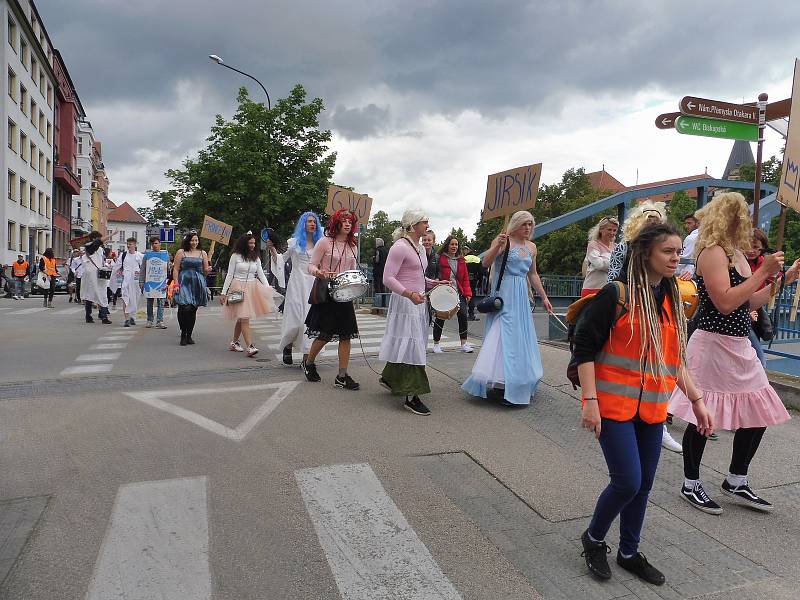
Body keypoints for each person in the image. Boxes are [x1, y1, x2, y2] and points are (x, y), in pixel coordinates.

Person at [575, 222, 713, 585]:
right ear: (645, 254)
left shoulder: (671, 299)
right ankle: (593, 539)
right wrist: (590, 400)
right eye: (668, 251)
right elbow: (585, 347)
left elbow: (676, 359)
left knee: (644, 484)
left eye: (678, 250)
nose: (676, 257)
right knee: (628, 481)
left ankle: (629, 552)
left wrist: (697, 402)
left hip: (651, 410)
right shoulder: (615, 294)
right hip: (613, 407)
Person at [669, 192, 800, 514]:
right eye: (740, 215)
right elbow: (725, 302)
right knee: (705, 416)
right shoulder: (712, 253)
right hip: (713, 343)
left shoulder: (737, 254)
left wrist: (785, 279)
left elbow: (749, 302)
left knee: (759, 412)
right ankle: (691, 483)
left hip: (738, 344)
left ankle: (736, 479)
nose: (746, 221)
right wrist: (762, 271)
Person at [462, 211, 552, 406]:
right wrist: (497, 246)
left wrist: (544, 297)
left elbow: (533, 274)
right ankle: (502, 383)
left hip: (521, 294)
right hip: (504, 294)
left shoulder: (532, 247)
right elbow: (485, 263)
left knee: (520, 336)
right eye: (524, 224)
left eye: (530, 224)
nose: (527, 228)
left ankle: (516, 380)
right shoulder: (504, 240)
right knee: (504, 335)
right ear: (516, 225)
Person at [379, 211, 449, 415]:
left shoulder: (419, 248)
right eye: (424, 221)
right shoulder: (399, 247)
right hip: (405, 302)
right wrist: (409, 294)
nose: (427, 224)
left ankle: (390, 377)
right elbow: (388, 278)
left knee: (410, 340)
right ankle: (411, 395)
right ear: (412, 225)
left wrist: (435, 283)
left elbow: (417, 276)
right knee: (411, 343)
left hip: (417, 300)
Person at [301, 209, 360, 389]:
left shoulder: (353, 246)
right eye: (344, 221)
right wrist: (319, 272)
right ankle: (309, 362)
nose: (348, 224)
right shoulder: (324, 242)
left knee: (346, 335)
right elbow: (311, 265)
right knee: (324, 335)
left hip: (344, 294)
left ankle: (342, 376)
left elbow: (351, 270)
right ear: (336, 223)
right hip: (326, 292)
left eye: (350, 221)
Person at [279, 212, 323, 365]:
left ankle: (307, 358)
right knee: (296, 319)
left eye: (315, 222)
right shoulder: (294, 242)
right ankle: (288, 345)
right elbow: (280, 260)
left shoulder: (321, 243)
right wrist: (272, 250)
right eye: (309, 221)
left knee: (311, 320)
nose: (312, 224)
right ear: (303, 224)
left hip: (313, 284)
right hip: (297, 284)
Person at [220, 232, 274, 357]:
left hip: (251, 288)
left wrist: (267, 287)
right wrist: (223, 293)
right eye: (250, 243)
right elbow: (229, 274)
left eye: (254, 243)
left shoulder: (256, 257)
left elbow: (260, 274)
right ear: (244, 243)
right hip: (237, 287)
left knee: (242, 317)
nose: (253, 245)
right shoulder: (235, 256)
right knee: (244, 317)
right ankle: (250, 346)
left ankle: (234, 342)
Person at [432, 235, 474, 353]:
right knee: (441, 316)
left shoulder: (461, 260)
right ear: (447, 245)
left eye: (456, 244)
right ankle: (436, 344)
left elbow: (465, 278)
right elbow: (435, 273)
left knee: (463, 315)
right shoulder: (439, 258)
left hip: (458, 292)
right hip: (444, 292)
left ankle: (463, 344)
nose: (454, 246)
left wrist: (468, 293)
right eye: (452, 244)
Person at [608, 201, 666, 282]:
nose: (653, 224)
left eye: (656, 222)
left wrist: (687, 272)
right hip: (629, 291)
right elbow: (613, 277)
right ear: (638, 224)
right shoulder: (624, 246)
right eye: (649, 221)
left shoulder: (663, 247)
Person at [173, 231, 211, 346]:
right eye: (192, 240)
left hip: (198, 282)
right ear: (188, 241)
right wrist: (176, 284)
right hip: (184, 281)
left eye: (196, 240)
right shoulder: (181, 252)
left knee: (193, 309)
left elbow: (205, 272)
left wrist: (208, 270)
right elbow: (175, 269)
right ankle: (183, 334)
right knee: (185, 308)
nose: (194, 242)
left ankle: (189, 335)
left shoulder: (203, 253)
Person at [744, 228, 773, 368]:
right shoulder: (738, 263)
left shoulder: (763, 263)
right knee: (759, 358)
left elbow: (768, 284)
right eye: (748, 245)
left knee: (754, 353)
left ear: (762, 249)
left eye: (755, 247)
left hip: (754, 308)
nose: (751, 250)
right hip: (741, 310)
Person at [581, 216, 618, 296]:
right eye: (609, 229)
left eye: (614, 230)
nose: (612, 233)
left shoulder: (616, 247)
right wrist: (616, 264)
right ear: (601, 230)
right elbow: (599, 265)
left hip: (611, 290)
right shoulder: (593, 245)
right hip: (592, 289)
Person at [81, 231, 112, 324]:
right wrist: (112, 234)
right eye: (99, 238)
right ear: (94, 239)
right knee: (90, 295)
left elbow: (101, 261)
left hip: (99, 274)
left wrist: (106, 266)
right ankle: (89, 316)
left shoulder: (100, 250)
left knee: (102, 294)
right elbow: (96, 244)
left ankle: (103, 316)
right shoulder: (89, 247)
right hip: (91, 276)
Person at [139, 236, 168, 329]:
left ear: (160, 243)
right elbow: (142, 269)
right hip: (150, 282)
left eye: (156, 243)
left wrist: (170, 266)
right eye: (153, 244)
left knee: (161, 302)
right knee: (149, 302)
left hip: (162, 282)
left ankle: (160, 321)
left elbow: (169, 269)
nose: (154, 245)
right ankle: (149, 320)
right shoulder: (147, 255)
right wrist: (141, 281)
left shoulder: (165, 254)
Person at [114, 237, 144, 327]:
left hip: (136, 281)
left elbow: (144, 267)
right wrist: (117, 272)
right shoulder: (123, 255)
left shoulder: (139, 255)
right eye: (127, 244)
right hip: (126, 281)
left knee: (135, 299)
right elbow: (117, 266)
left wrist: (141, 274)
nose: (128, 245)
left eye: (130, 244)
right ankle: (126, 319)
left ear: (135, 245)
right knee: (126, 298)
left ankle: (132, 317)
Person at [677, 212, 700, 279]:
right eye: (685, 223)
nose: (686, 226)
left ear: (698, 223)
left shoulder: (691, 238)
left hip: (686, 276)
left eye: (689, 223)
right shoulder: (707, 236)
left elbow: (683, 260)